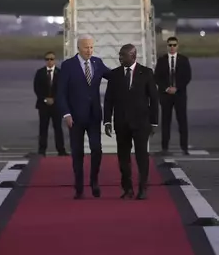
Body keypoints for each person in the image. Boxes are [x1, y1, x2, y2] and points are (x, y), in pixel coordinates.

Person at [57, 34, 111, 199]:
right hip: (75, 118)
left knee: (97, 149)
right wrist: (66, 113)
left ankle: (94, 181)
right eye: (86, 47)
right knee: (77, 152)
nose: (89, 50)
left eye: (91, 47)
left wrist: (132, 71)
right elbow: (60, 93)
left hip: (94, 116)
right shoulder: (68, 66)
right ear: (79, 48)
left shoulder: (98, 63)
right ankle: (79, 186)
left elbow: (114, 77)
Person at [103, 44, 159, 200]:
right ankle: (127, 188)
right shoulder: (114, 75)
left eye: (123, 55)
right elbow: (108, 100)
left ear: (133, 56)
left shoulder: (146, 73)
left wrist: (154, 122)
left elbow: (154, 99)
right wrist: (107, 121)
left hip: (141, 123)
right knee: (123, 158)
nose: (120, 58)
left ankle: (143, 188)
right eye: (119, 55)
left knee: (142, 156)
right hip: (121, 123)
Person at [154, 36, 192, 155]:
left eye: (174, 45)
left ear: (177, 46)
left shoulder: (184, 60)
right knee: (166, 121)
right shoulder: (162, 60)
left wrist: (177, 88)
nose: (172, 47)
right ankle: (165, 148)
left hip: (179, 94)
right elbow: (157, 77)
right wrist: (166, 88)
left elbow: (187, 76)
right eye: (170, 45)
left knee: (182, 121)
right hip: (166, 95)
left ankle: (184, 147)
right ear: (167, 46)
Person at [33, 51, 67, 156]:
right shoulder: (40, 73)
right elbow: (36, 88)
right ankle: (42, 150)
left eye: (51, 59)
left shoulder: (60, 73)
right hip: (43, 106)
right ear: (45, 61)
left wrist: (54, 99)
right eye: (47, 59)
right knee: (43, 128)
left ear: (54, 60)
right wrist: (45, 99)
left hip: (56, 106)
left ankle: (61, 150)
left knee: (58, 128)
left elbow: (62, 89)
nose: (49, 61)